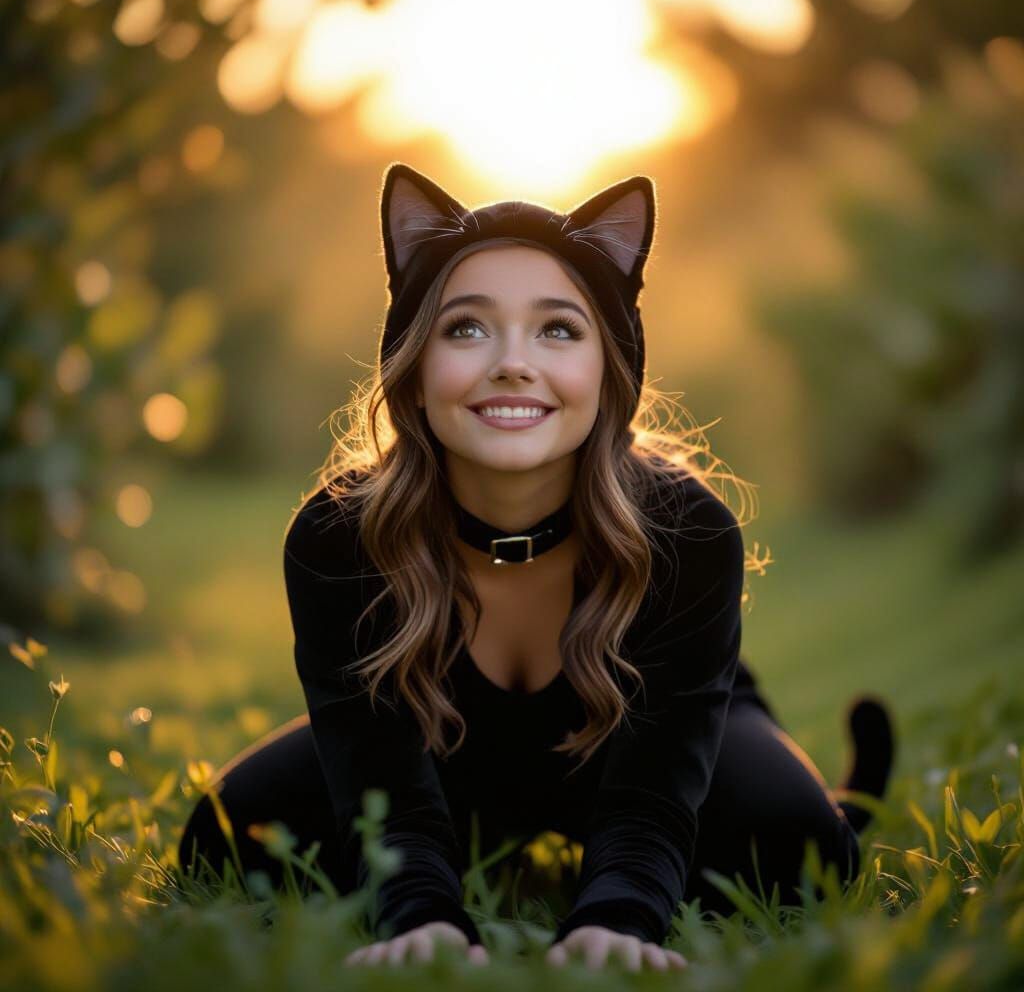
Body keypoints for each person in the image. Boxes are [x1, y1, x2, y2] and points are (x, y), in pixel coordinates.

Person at [178, 162, 895, 972]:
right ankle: (471, 829)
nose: (513, 364)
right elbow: (376, 763)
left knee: (803, 852)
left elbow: (656, 783)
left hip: (636, 748)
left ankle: (844, 795)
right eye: (467, 328)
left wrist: (620, 917)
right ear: (412, 363)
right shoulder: (339, 536)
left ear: (608, 367)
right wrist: (421, 913)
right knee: (224, 837)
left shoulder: (688, 529)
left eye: (558, 329)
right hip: (435, 758)